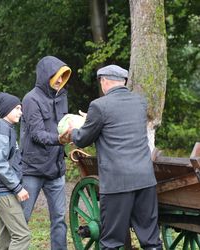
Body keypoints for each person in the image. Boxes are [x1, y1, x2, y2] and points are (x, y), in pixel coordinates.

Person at [64, 65, 162, 250]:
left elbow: (83, 139)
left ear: (104, 81)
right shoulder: (140, 103)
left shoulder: (99, 106)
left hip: (118, 183)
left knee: (111, 242)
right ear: (123, 82)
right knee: (151, 240)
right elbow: (120, 124)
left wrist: (72, 131)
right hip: (145, 179)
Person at [20, 56, 72, 250]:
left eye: (63, 76)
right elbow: (37, 134)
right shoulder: (31, 99)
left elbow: (64, 125)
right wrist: (59, 140)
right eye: (56, 76)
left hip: (56, 169)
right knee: (21, 218)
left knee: (59, 218)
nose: (59, 80)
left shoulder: (62, 96)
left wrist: (77, 130)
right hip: (32, 170)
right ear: (45, 76)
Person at [0, 92, 30, 250]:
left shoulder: (7, 128)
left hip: (6, 190)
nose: (20, 112)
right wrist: (17, 187)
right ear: (6, 110)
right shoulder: (0, 131)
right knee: (22, 236)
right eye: (17, 108)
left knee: (5, 239)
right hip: (4, 192)